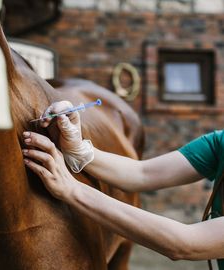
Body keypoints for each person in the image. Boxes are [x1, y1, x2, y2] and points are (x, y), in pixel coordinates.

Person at [22, 101, 224, 268]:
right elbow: (143, 174)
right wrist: (79, 150)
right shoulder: (220, 142)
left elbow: (185, 243)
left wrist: (73, 190)